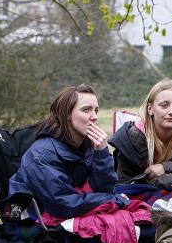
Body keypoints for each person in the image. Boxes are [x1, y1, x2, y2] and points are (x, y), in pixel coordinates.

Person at [8, 84, 131, 220]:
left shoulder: (88, 145)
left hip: (71, 212)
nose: (94, 116)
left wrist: (101, 153)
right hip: (35, 220)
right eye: (86, 110)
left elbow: (105, 190)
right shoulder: (42, 153)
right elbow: (62, 204)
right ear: (66, 114)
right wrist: (113, 200)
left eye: (96, 110)